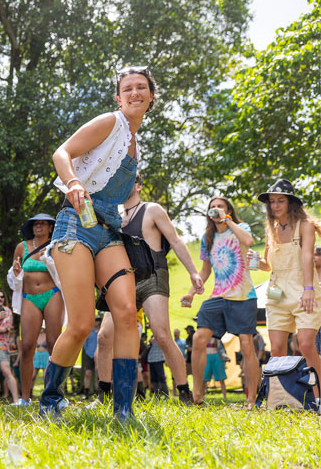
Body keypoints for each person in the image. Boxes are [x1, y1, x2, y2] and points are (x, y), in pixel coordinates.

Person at [38, 66, 156, 421]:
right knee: (81, 323)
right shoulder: (110, 122)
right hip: (75, 223)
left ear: (151, 96)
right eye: (128, 88)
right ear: (119, 98)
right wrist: (73, 182)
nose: (135, 92)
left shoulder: (138, 146)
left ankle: (123, 409)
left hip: (108, 230)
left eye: (142, 87)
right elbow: (62, 152)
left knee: (125, 314)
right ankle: (50, 400)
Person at [96, 175, 203, 404]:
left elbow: (175, 240)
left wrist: (193, 272)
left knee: (162, 334)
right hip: (123, 280)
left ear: (138, 185)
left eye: (127, 181)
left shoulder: (152, 209)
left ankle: (184, 393)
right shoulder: (114, 216)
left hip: (153, 275)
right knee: (104, 336)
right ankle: (104, 394)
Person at [182, 197, 259, 408]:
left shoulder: (240, 227)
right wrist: (191, 293)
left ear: (228, 210)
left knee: (246, 345)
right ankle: (197, 397)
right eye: (212, 207)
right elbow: (205, 270)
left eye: (220, 206)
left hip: (243, 296)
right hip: (218, 296)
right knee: (199, 339)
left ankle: (252, 400)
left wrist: (228, 221)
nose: (215, 209)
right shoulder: (207, 238)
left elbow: (249, 242)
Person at [256, 179, 321, 396]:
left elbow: (306, 258)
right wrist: (256, 262)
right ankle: (281, 398)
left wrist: (309, 288)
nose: (275, 206)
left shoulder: (305, 226)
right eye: (272, 201)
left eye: (280, 201)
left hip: (303, 291)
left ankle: (320, 396)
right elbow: (268, 266)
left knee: (306, 345)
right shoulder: (270, 229)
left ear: (290, 203)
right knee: (276, 351)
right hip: (276, 293)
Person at [7, 214, 63, 406]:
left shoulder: (56, 247)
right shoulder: (21, 247)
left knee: (54, 343)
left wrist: (49, 258)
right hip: (29, 297)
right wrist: (15, 273)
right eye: (35, 224)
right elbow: (14, 279)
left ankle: (56, 394)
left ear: (50, 228)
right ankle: (24, 397)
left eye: (42, 224)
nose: (38, 226)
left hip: (52, 294)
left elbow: (64, 273)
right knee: (28, 345)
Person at [0, 290, 20, 403]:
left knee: (6, 371)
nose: (0, 299)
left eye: (2, 297)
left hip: (2, 346)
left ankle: (16, 400)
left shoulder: (7, 311)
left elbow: (4, 328)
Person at [81, 318, 100, 399]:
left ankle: (98, 392)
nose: (96, 322)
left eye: (97, 320)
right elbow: (84, 343)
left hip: (99, 355)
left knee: (98, 374)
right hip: (89, 355)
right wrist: (88, 351)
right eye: (95, 320)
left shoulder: (101, 330)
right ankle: (86, 393)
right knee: (88, 373)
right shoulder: (89, 331)